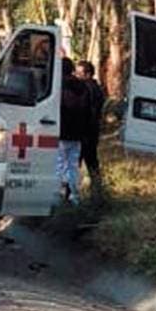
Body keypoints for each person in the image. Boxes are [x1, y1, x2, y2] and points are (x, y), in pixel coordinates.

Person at [57, 58, 90, 205]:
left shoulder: (58, 86)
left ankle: (58, 196)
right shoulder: (83, 87)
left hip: (61, 131)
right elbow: (88, 109)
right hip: (78, 133)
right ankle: (74, 196)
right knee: (73, 165)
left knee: (59, 164)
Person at [75, 60, 106, 178]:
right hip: (92, 131)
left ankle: (69, 191)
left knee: (76, 162)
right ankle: (97, 188)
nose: (76, 76)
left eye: (79, 73)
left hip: (85, 131)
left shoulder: (87, 89)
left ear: (87, 74)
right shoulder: (95, 87)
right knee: (91, 161)